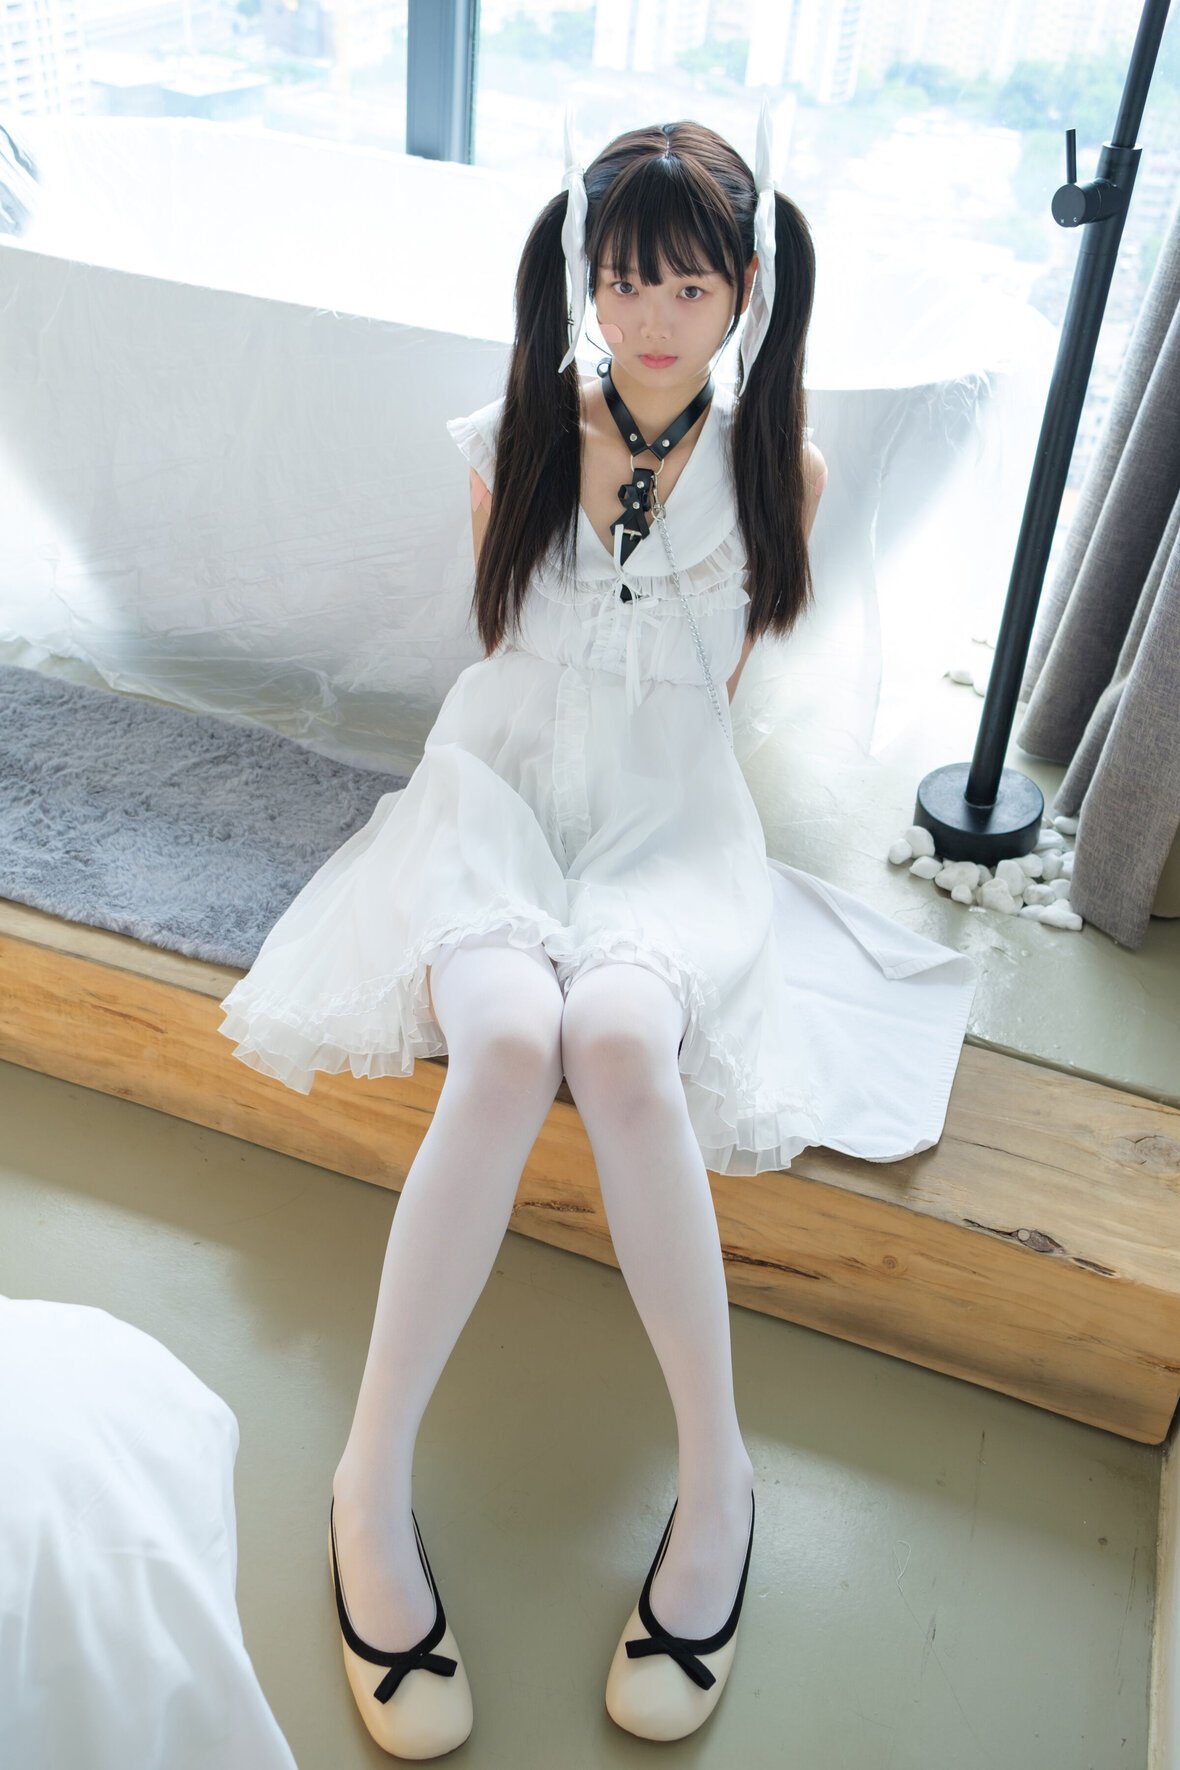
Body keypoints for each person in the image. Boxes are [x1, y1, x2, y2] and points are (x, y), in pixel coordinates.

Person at [217, 101, 978, 1757]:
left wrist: (638, 839)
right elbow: (504, 647)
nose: (650, 318)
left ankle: (721, 1484)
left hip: (665, 820)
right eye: (626, 282)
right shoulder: (517, 432)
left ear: (745, 290)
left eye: (688, 288)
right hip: (498, 789)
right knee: (507, 1039)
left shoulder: (782, 468)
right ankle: (367, 1483)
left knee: (622, 1038)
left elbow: (709, 694)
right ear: (585, 274)